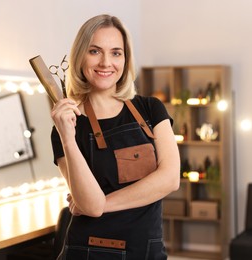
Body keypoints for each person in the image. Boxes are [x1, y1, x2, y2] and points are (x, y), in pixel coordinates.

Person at [51, 14, 180, 260]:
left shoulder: (150, 109)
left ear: (125, 58)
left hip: (146, 250)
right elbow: (90, 205)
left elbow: (170, 179)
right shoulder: (68, 126)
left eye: (116, 53)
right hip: (88, 251)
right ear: (80, 56)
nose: (105, 62)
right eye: (95, 51)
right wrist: (67, 137)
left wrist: (102, 203)